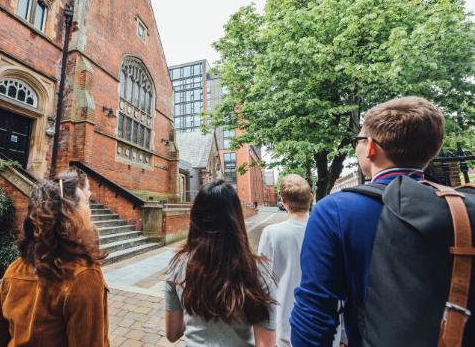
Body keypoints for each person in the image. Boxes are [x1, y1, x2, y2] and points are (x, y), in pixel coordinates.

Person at [290, 96, 446, 346]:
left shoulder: (335, 211)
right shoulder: (459, 209)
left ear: (371, 147)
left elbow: (315, 314)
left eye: (359, 140)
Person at [0, 169, 109, 347]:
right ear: (71, 214)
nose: (90, 211)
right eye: (87, 201)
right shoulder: (83, 275)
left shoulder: (16, 268)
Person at [165, 179, 278, 347]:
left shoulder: (178, 265)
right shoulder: (259, 270)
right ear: (236, 218)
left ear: (196, 217)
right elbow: (266, 344)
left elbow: (172, 334)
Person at [258, 174, 313, 347]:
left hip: (284, 325)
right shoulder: (327, 231)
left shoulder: (272, 233)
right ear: (310, 198)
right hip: (324, 326)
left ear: (283, 201)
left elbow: (262, 283)